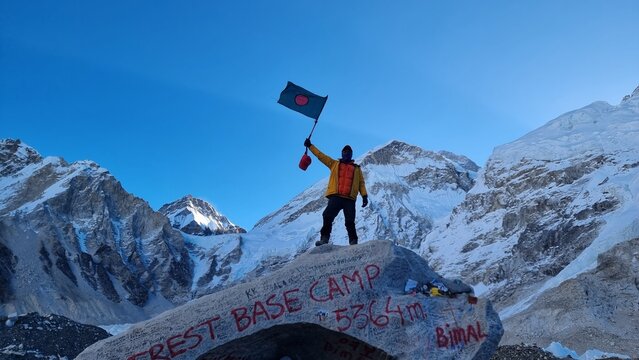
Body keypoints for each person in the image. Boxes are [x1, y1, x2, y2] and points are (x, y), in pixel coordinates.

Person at [304, 138, 368, 246]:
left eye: (348, 152)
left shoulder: (357, 168)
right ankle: (324, 239)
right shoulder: (334, 164)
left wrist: (364, 196)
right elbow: (321, 156)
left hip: (349, 199)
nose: (346, 154)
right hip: (336, 197)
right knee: (327, 215)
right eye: (345, 152)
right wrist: (310, 146)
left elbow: (361, 183)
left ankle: (353, 242)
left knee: (350, 222)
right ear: (342, 153)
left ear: (351, 154)